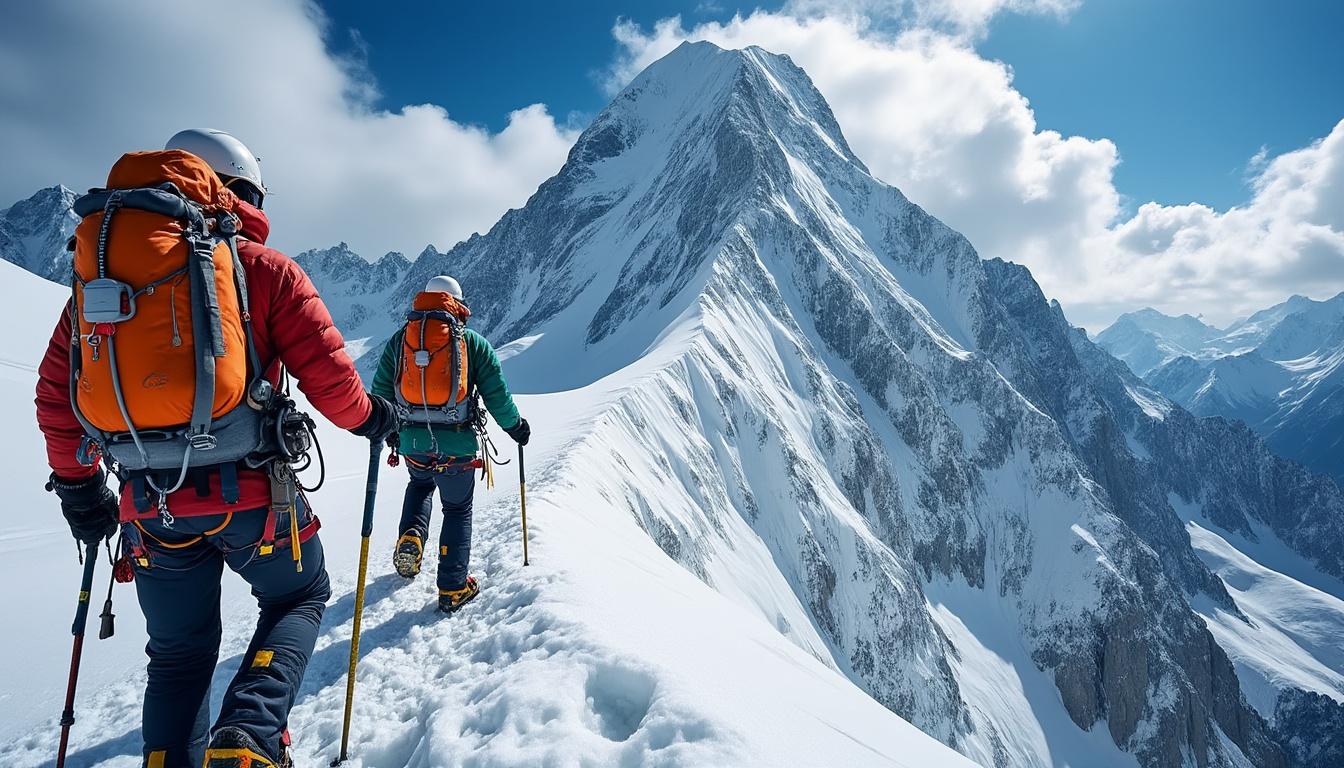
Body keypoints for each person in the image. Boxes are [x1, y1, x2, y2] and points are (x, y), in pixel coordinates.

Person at [35, 129, 398, 768]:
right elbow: (333, 384)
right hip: (256, 502)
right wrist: (373, 421)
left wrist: (79, 489)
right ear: (242, 191)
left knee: (177, 654)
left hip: (151, 511)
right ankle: (250, 735)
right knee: (300, 595)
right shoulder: (263, 270)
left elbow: (57, 398)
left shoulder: (90, 286)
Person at [371, 275, 529, 613]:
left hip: (412, 441)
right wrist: (515, 427)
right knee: (457, 509)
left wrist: (391, 433)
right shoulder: (472, 343)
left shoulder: (401, 341)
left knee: (420, 486)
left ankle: (411, 537)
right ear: (458, 305)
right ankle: (453, 587)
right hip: (457, 446)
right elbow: (497, 395)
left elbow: (381, 390)